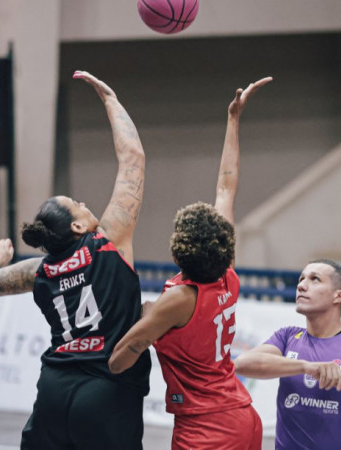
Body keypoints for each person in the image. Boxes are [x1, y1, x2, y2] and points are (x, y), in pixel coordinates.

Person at [0, 71, 151, 450]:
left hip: (54, 392)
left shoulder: (40, 271)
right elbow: (133, 158)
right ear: (78, 225)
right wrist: (110, 100)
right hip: (106, 392)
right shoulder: (109, 242)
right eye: (76, 204)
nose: (83, 202)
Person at [108, 76, 272, 450]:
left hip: (206, 426)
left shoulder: (179, 299)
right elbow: (226, 187)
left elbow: (118, 361)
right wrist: (233, 120)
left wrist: (145, 317)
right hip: (243, 416)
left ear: (177, 250)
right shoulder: (228, 274)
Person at [235, 259, 341, 450]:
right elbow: (242, 364)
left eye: (315, 279)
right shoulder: (287, 337)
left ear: (338, 296)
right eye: (301, 279)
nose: (301, 286)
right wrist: (306, 367)